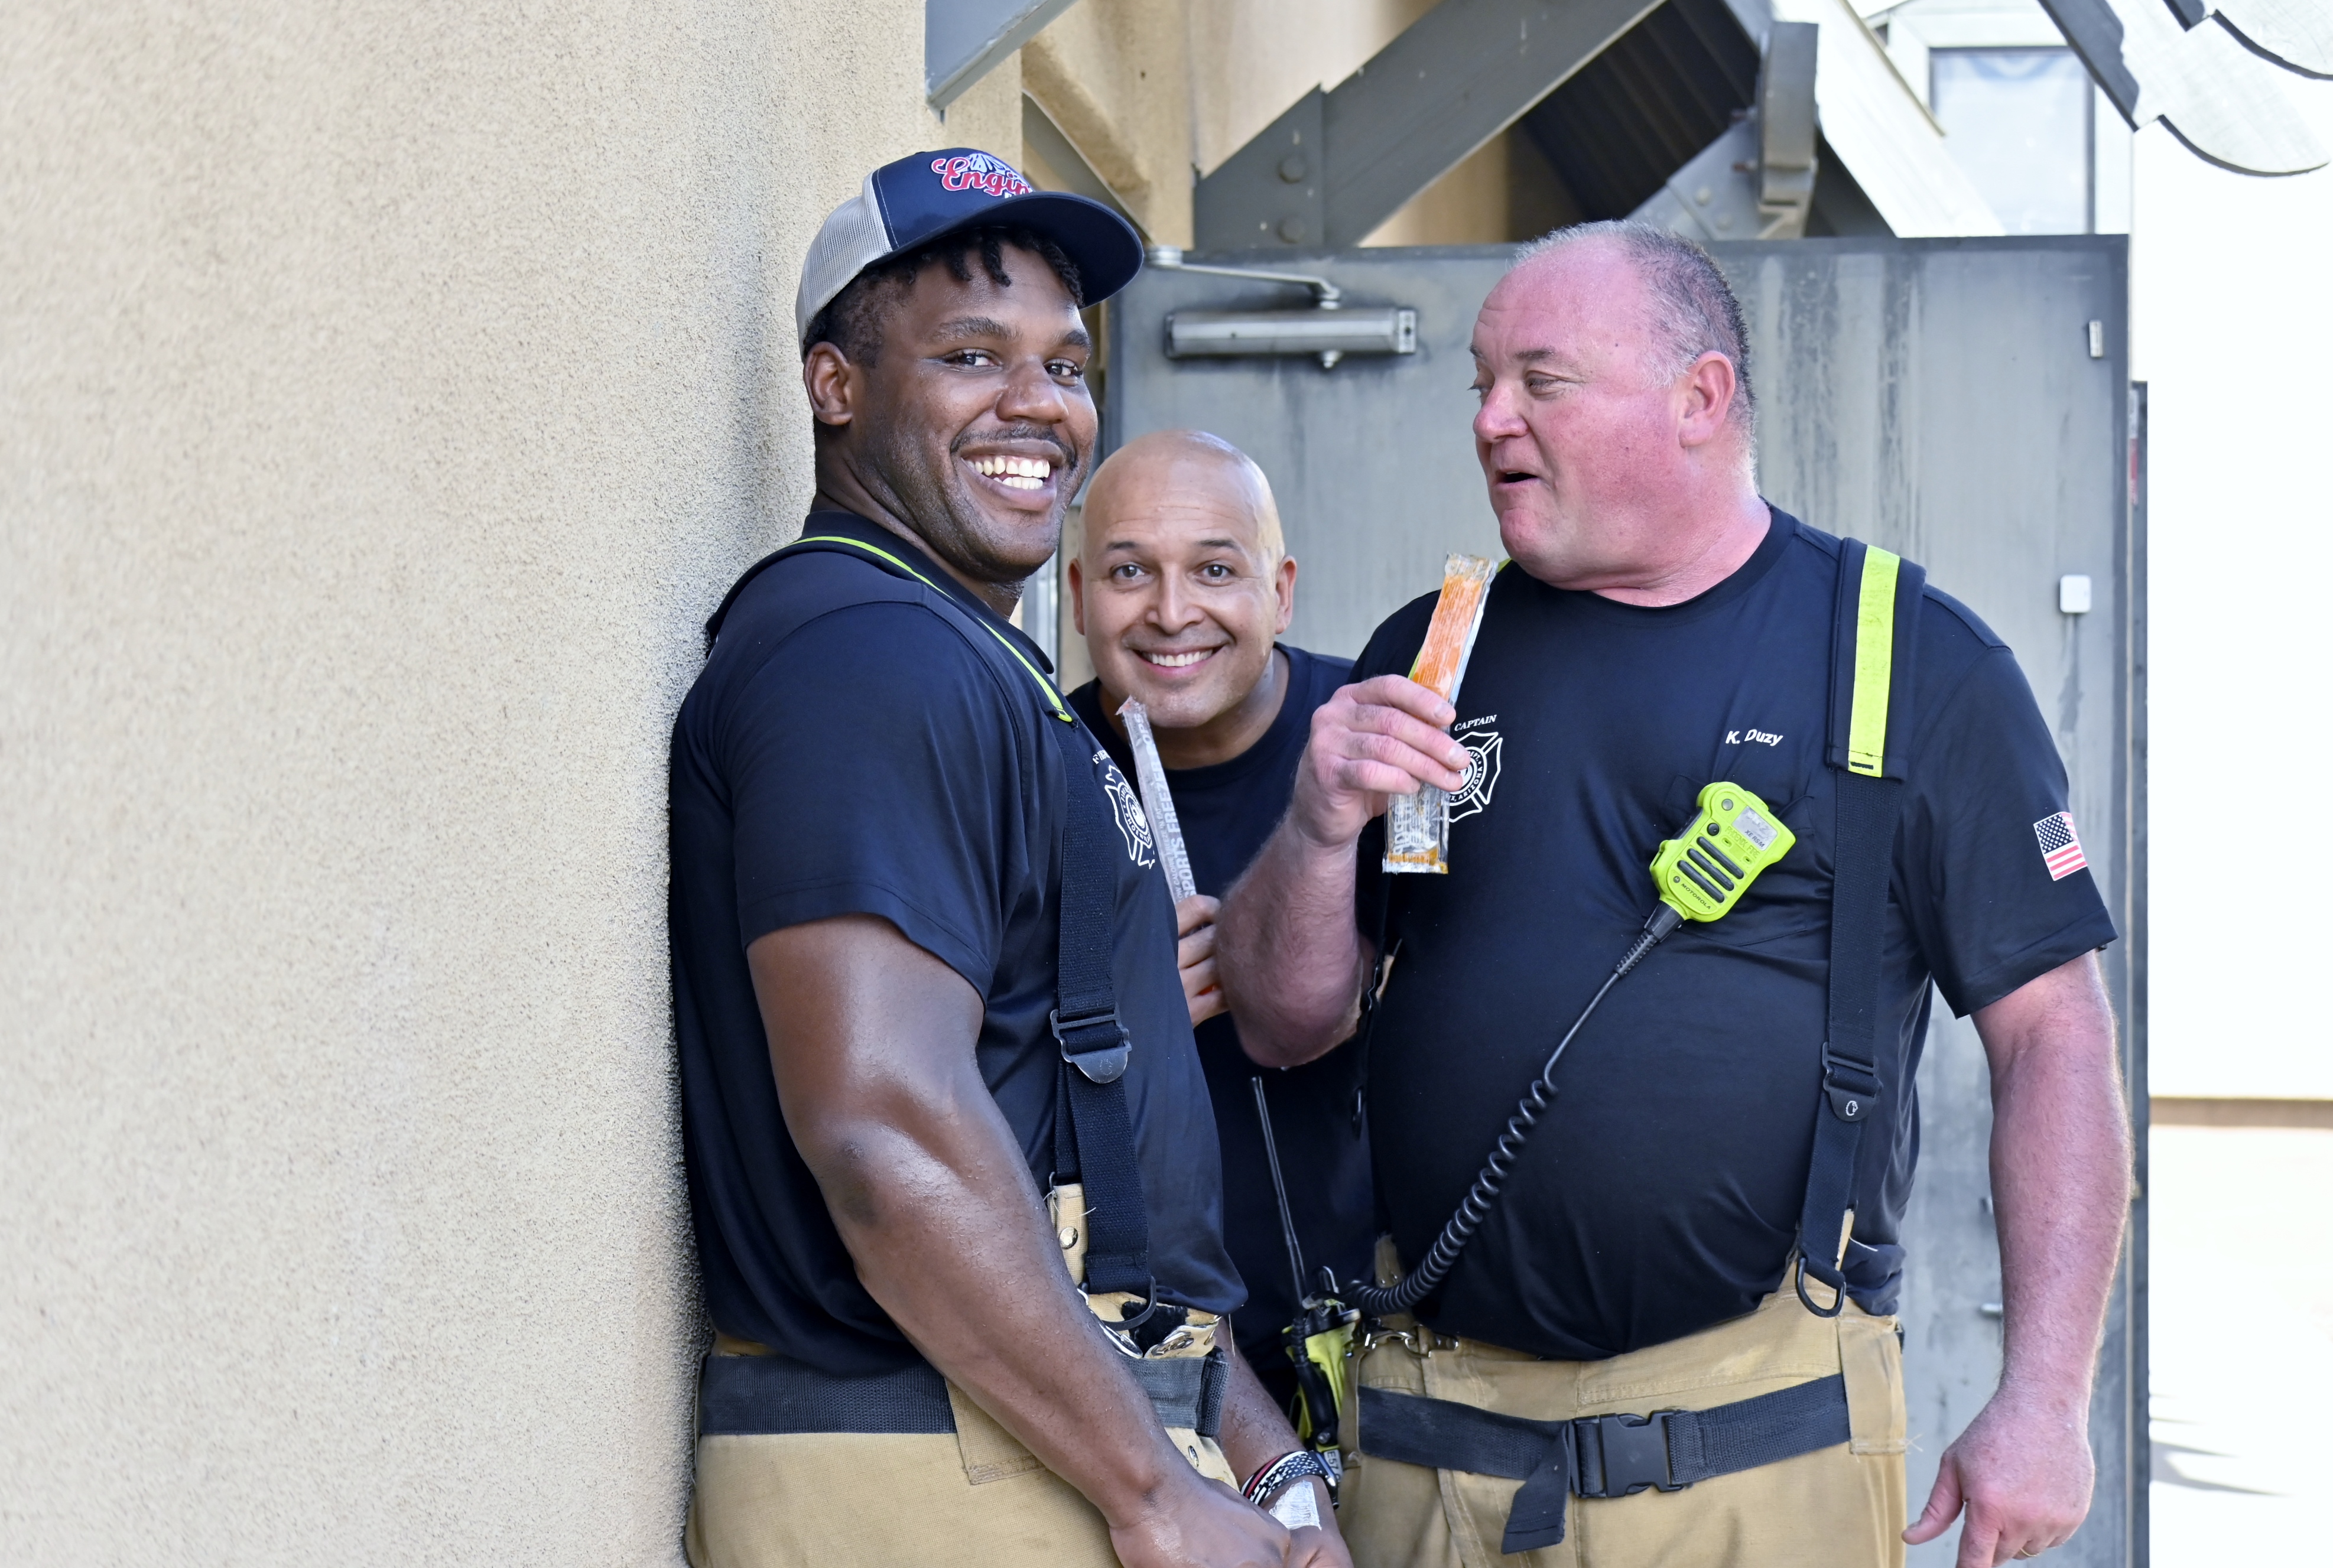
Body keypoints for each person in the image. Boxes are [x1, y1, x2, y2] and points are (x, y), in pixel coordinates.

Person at [1219, 220, 2132, 1568]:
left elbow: (2052, 1037)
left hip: (1760, 1447)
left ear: (1698, 397)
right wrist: (1311, 822)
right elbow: (1284, 1024)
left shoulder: (1908, 661)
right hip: (1437, 1447)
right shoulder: (1429, 651)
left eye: (1541, 381)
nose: (1489, 419)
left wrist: (2047, 1400)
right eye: (1481, 382)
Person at [668, 150, 1350, 1568]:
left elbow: (1085, 1174)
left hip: (1024, 1443)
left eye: (1065, 363)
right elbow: (887, 1124)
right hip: (938, 1461)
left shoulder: (964, 657)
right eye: (971, 355)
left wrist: (1261, 1464)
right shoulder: (866, 654)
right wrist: (1153, 1493)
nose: (1036, 403)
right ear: (834, 385)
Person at [1062, 429, 1372, 1410]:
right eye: (1128, 571)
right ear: (1077, 596)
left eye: (1213, 569)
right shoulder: (1037, 772)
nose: (1170, 612)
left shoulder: (1367, 747)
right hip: (1141, 1364)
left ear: (1281, 592)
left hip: (1402, 1342)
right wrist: (1114, 1017)